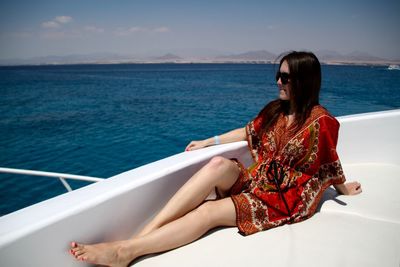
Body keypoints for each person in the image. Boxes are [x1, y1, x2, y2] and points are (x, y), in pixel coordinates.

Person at [70, 51, 362, 267]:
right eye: (278, 75)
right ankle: (144, 235)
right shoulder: (276, 109)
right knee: (218, 165)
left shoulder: (320, 121)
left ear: (303, 81)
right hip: (258, 181)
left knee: (208, 213)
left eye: (285, 77)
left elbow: (329, 162)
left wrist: (343, 188)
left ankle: (126, 252)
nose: (278, 82)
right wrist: (209, 142)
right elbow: (248, 131)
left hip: (282, 199)